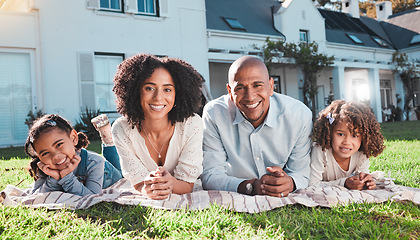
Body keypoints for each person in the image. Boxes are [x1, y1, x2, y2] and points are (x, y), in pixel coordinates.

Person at [201, 55, 313, 197]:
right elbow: (210, 176)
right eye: (240, 88)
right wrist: (250, 186)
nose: (250, 97)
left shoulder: (299, 115)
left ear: (271, 86)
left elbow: (301, 173)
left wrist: (290, 183)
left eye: (257, 85)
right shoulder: (214, 114)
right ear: (230, 91)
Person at [111, 53, 204, 200]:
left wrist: (170, 183)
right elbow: (139, 183)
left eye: (167, 89)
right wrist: (148, 189)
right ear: (135, 91)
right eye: (149, 88)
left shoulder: (192, 124)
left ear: (177, 95)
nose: (158, 98)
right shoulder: (121, 129)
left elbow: (187, 184)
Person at [24, 114, 123, 196]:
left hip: (107, 172)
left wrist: (66, 177)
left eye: (59, 144)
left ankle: (108, 140)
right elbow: (35, 196)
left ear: (73, 138)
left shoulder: (94, 162)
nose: (55, 156)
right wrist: (54, 178)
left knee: (120, 172)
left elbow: (92, 196)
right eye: (45, 153)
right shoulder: (45, 167)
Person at [310, 100, 385, 190]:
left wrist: (365, 182)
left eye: (355, 136)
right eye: (340, 134)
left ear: (364, 137)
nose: (347, 142)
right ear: (329, 132)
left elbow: (360, 177)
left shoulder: (361, 152)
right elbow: (312, 184)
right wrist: (344, 183)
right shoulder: (320, 150)